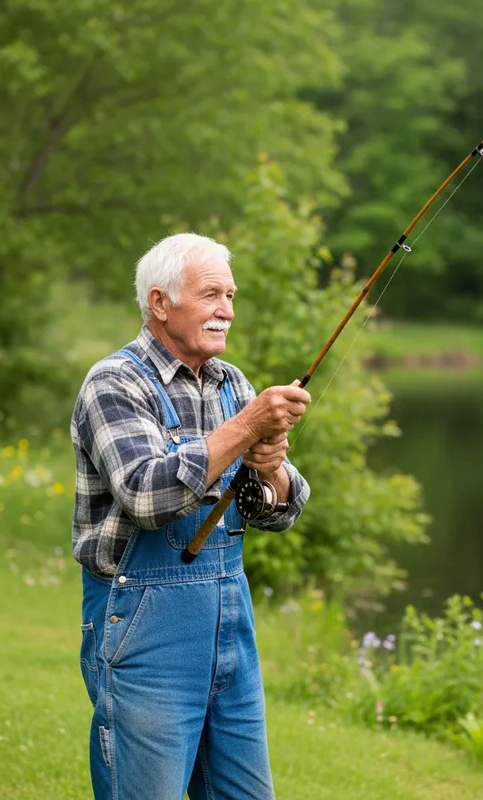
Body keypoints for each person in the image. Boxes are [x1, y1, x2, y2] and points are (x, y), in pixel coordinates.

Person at [70, 232, 312, 799]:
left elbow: (281, 510)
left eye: (230, 295)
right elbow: (146, 496)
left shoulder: (232, 386)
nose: (226, 310)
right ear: (159, 302)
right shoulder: (115, 383)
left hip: (230, 622)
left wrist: (272, 469)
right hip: (142, 629)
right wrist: (246, 429)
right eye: (210, 294)